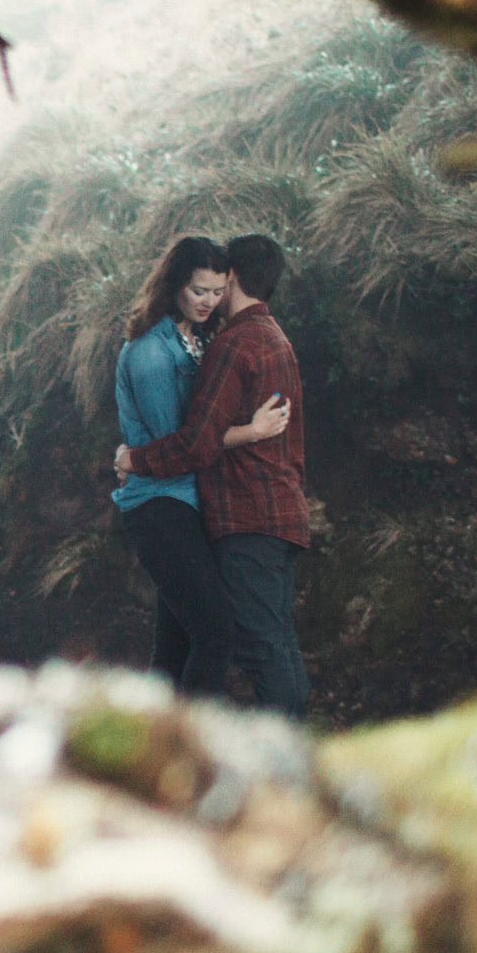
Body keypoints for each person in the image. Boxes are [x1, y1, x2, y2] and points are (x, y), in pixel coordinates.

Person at [115, 234, 308, 718]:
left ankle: (170, 746)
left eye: (217, 290)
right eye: (200, 290)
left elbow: (192, 444)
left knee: (207, 640)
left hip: (221, 509)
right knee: (223, 634)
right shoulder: (164, 351)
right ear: (176, 285)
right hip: (179, 506)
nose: (209, 301)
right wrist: (248, 431)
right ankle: (181, 747)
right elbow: (183, 443)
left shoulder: (217, 344)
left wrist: (133, 459)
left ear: (232, 282)